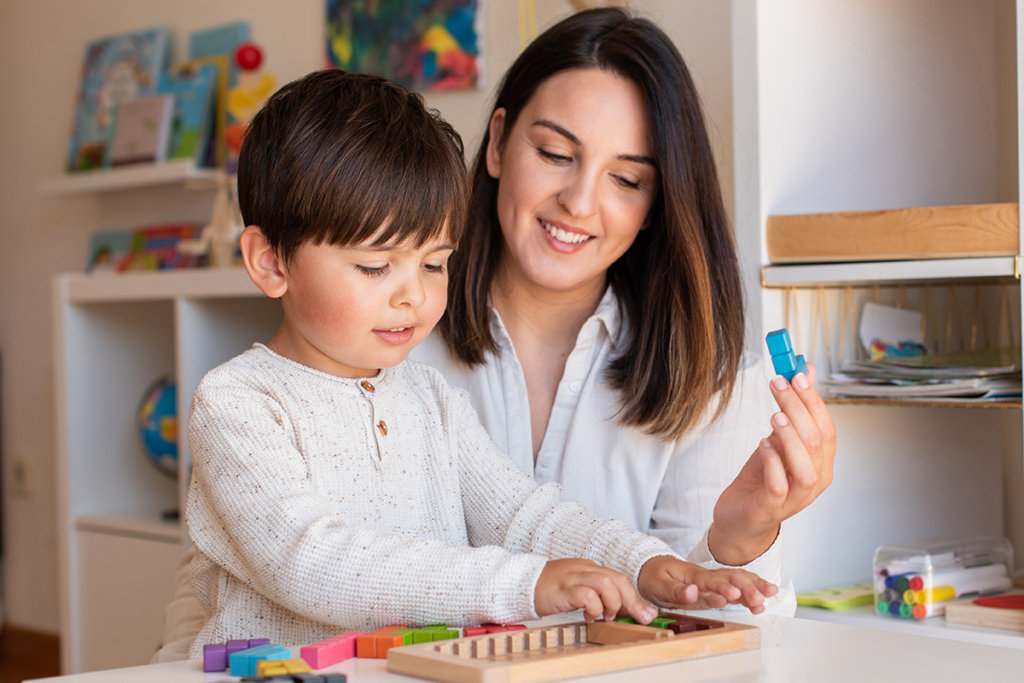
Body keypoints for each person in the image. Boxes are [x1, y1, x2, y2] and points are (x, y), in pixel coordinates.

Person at [180, 68, 777, 656]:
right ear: (270, 262)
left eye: (434, 264)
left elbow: (525, 516)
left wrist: (646, 566)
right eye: (374, 266)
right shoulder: (239, 403)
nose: (412, 294)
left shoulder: (429, 396)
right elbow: (311, 562)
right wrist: (525, 585)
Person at [410, 7, 836, 615]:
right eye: (556, 153)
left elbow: (726, 647)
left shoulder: (708, 377)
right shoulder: (390, 334)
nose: (579, 202)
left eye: (627, 180)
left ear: (656, 203)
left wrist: (739, 541)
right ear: (499, 141)